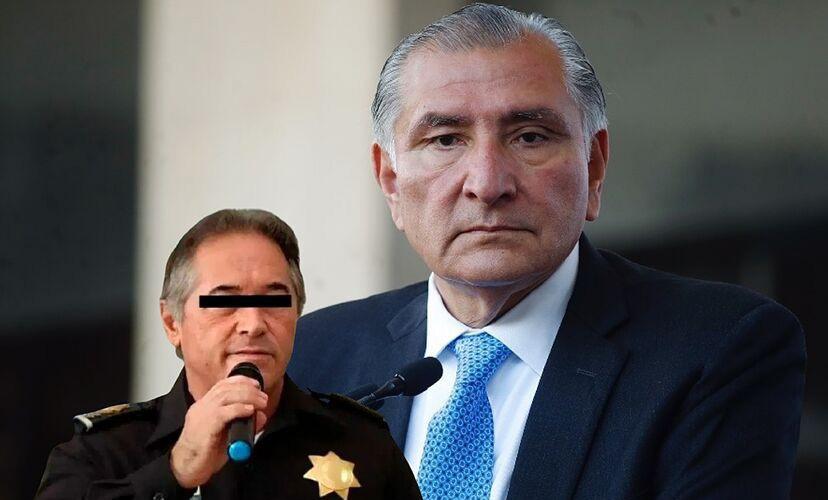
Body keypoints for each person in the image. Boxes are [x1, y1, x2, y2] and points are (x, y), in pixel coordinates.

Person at [288, 4, 806, 499]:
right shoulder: (310, 357)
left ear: (594, 168)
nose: (487, 184)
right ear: (391, 181)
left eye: (530, 137)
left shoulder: (717, 350)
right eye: (445, 140)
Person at [37, 209, 421, 499]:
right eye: (223, 302)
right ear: (172, 322)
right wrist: (175, 473)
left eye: (274, 301)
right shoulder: (102, 454)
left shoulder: (362, 444)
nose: (253, 324)